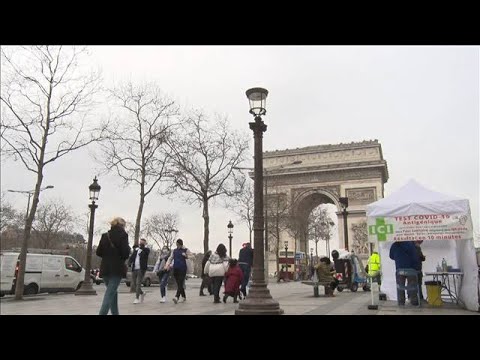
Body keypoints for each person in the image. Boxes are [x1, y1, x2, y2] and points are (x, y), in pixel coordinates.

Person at [96, 217, 131, 315]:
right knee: (109, 294)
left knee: (112, 293)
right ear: (122, 225)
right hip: (117, 269)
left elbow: (98, 252)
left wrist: (108, 255)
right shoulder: (123, 235)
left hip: (105, 268)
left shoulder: (105, 235)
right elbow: (125, 254)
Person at [389, 241, 421, 306]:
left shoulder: (394, 245)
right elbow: (415, 257)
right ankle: (414, 301)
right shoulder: (410, 244)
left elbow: (391, 256)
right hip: (411, 269)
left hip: (399, 270)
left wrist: (398, 258)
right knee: (412, 286)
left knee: (400, 286)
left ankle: (401, 302)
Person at [165, 239, 193, 304]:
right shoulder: (174, 251)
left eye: (179, 245)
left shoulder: (185, 250)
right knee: (179, 284)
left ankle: (176, 297)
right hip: (176, 268)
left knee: (180, 282)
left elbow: (192, 257)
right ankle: (184, 296)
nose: (178, 246)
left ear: (181, 244)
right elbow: (170, 258)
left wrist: (186, 256)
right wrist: (167, 265)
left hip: (183, 269)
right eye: (177, 244)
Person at [128, 238, 150, 304]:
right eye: (140, 243)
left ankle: (137, 298)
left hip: (141, 269)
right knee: (134, 283)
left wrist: (141, 249)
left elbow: (144, 255)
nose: (141, 244)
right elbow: (132, 257)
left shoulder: (146, 250)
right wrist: (129, 262)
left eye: (142, 243)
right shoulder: (136, 250)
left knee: (138, 283)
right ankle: (142, 293)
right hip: (135, 268)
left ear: (145, 243)